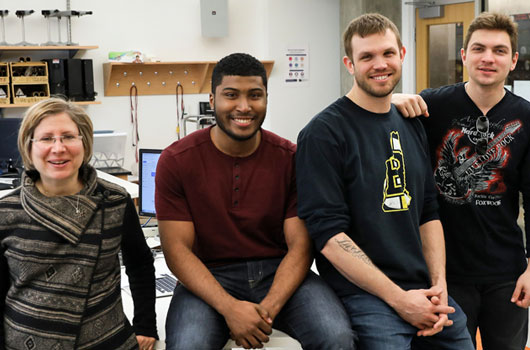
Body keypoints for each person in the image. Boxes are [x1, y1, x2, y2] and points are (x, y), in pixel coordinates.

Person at [296, 13, 475, 350]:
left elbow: (427, 211)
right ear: (350, 64)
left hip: (425, 289)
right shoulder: (323, 134)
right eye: (367, 57)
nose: (380, 64)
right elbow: (330, 237)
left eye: (388, 53)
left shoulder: (410, 123)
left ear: (402, 54)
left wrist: (439, 285)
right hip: (366, 296)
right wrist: (399, 300)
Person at [155, 53, 355, 350]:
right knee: (188, 345)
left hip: (280, 273)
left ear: (266, 98)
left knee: (337, 337)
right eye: (231, 95)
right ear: (212, 100)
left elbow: (300, 247)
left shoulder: (291, 158)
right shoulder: (176, 161)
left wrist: (268, 309)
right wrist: (230, 308)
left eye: (255, 95)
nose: (244, 107)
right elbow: (177, 251)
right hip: (209, 276)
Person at [392, 12, 530, 349]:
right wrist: (391, 100)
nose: (488, 58)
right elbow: (369, 117)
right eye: (478, 48)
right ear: (464, 56)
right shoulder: (431, 106)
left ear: (514, 60)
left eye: (499, 50)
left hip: (505, 273)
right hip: (441, 271)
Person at [0, 98, 158, 350]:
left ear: (84, 142)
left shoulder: (115, 201)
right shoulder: (6, 212)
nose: (58, 148)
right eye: (46, 138)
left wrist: (146, 325)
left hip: (106, 341)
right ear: (28, 147)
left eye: (68, 136)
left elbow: (139, 264)